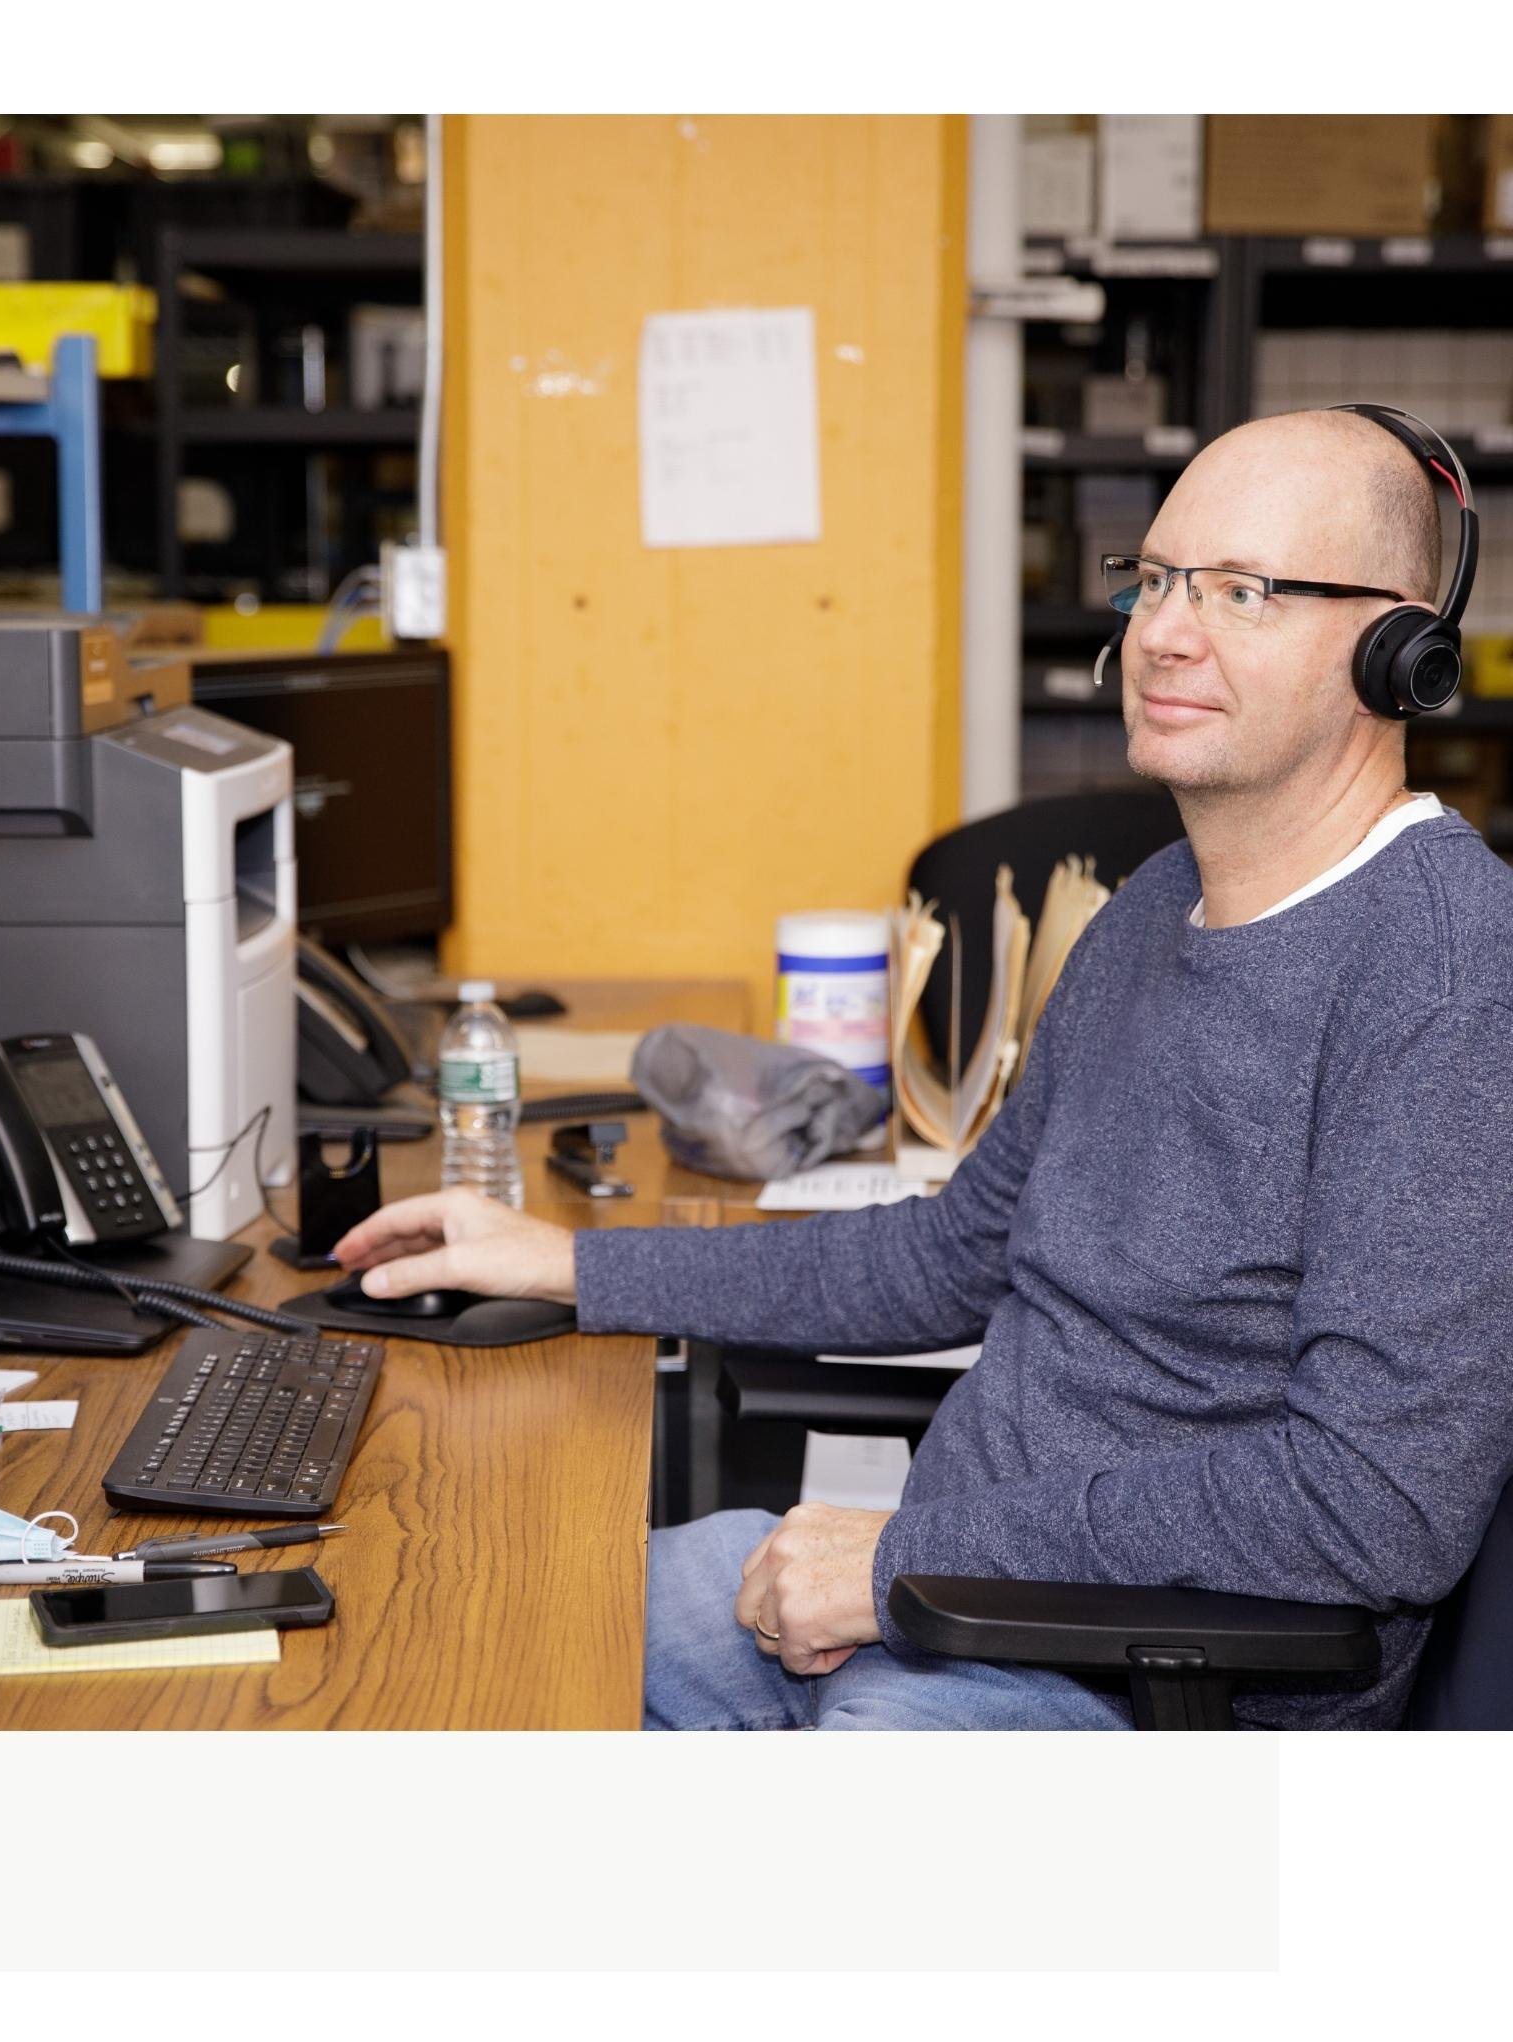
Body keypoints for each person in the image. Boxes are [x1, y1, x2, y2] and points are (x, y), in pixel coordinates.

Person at [334, 409, 1513, 1732]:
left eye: (1243, 591)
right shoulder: (1154, 907)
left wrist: (895, 1569)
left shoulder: (1446, 981)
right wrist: (561, 1260)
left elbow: (1375, 1505)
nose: (1165, 633)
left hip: (1161, 1673)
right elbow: (950, 1253)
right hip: (965, 1585)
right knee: (495, 1617)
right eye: (1161, 578)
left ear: (1397, 643)